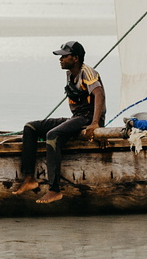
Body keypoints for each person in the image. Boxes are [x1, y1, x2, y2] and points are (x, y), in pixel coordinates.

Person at [16, 41, 104, 204]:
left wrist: (95, 123)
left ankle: (54, 190)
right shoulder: (70, 73)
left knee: (53, 135)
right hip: (76, 117)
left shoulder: (89, 72)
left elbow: (99, 95)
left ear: (76, 58)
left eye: (64, 56)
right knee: (30, 128)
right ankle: (29, 178)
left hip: (87, 119)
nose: (61, 59)